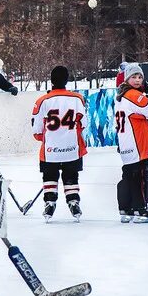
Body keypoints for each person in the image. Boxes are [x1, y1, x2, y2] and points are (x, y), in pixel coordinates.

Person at [31, 66, 87, 221]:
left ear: (51, 80)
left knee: (50, 175)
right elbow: (84, 123)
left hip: (50, 150)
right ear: (67, 80)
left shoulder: (42, 101)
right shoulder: (77, 99)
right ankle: (73, 201)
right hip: (72, 148)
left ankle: (49, 202)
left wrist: (48, 139)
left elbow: (36, 130)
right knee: (71, 176)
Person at [114, 63, 148, 223]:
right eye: (133, 76)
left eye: (140, 77)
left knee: (128, 175)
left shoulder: (120, 95)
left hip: (127, 142)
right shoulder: (132, 94)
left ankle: (126, 208)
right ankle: (140, 208)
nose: (138, 80)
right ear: (127, 78)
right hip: (137, 142)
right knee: (140, 174)